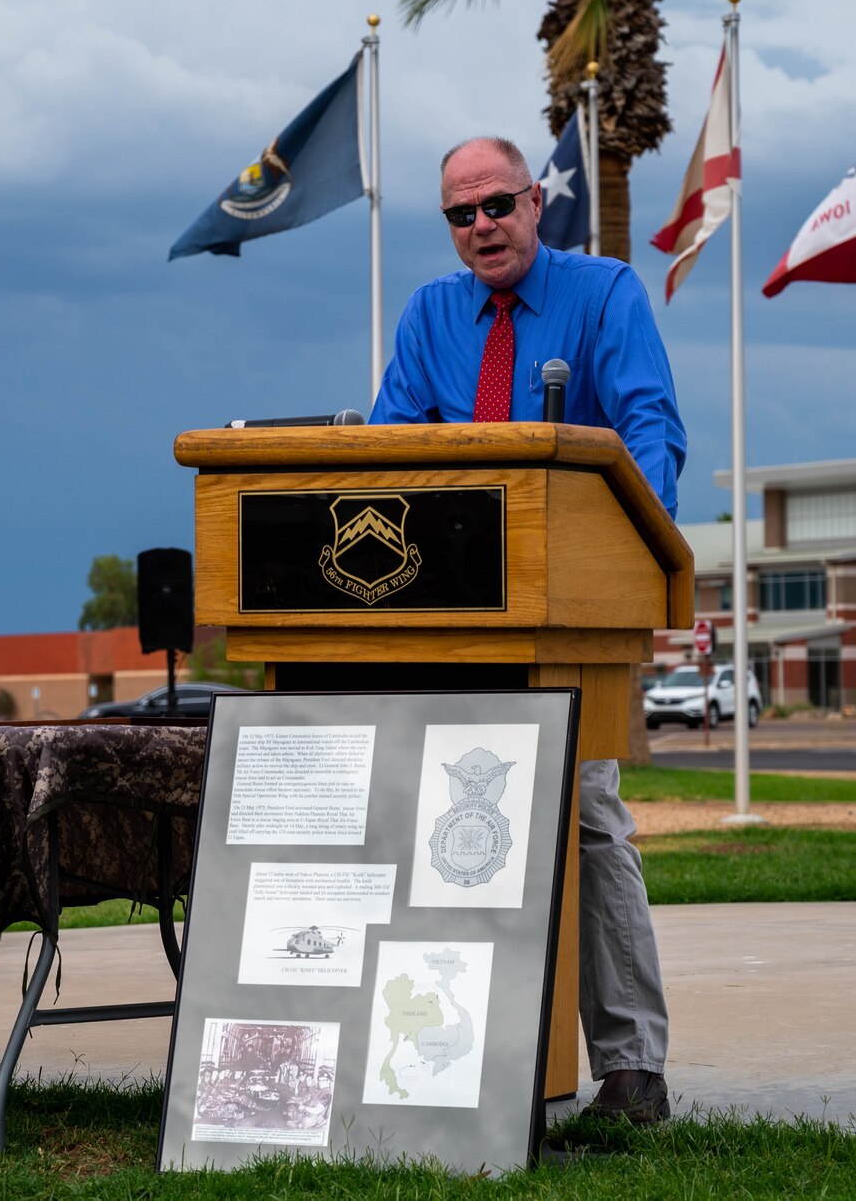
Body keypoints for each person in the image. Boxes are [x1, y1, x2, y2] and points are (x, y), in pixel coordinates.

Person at [370, 136, 685, 1124]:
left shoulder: (605, 295)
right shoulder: (428, 315)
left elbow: (651, 433)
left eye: (495, 205)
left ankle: (630, 1070)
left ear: (534, 201)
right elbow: (386, 455)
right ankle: (446, 1058)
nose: (480, 227)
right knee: (443, 829)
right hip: (445, 623)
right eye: (460, 214)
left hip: (567, 618)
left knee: (586, 820)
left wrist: (629, 571)